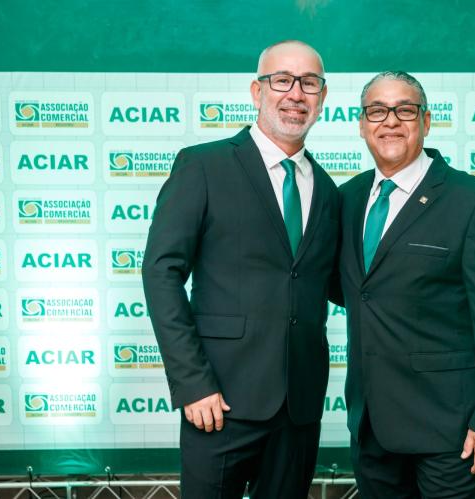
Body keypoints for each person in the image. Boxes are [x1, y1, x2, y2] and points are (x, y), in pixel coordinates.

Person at [142, 40, 339, 498]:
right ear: (257, 91)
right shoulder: (203, 165)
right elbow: (161, 272)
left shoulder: (329, 190)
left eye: (309, 83)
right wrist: (192, 383)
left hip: (299, 410)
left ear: (323, 97)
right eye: (282, 81)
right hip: (217, 402)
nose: (296, 94)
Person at [335, 71, 475, 498]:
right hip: (371, 429)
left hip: (453, 433)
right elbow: (354, 290)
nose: (390, 121)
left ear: (426, 120)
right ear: (362, 124)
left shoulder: (473, 201)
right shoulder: (345, 199)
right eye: (377, 111)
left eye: (404, 110)